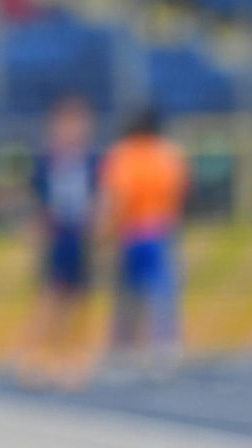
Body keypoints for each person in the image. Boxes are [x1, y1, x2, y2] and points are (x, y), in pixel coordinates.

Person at [17, 95, 100, 390]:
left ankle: (72, 364)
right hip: (57, 236)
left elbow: (99, 198)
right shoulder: (47, 161)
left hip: (80, 236)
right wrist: (38, 224)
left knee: (78, 305)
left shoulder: (91, 161)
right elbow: (37, 199)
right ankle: (35, 360)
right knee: (50, 302)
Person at [100, 109, 189, 375]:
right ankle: (164, 348)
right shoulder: (168, 154)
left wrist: (107, 231)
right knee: (161, 293)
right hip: (159, 230)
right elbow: (179, 193)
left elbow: (119, 197)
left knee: (128, 294)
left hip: (132, 232)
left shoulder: (124, 154)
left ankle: (124, 349)